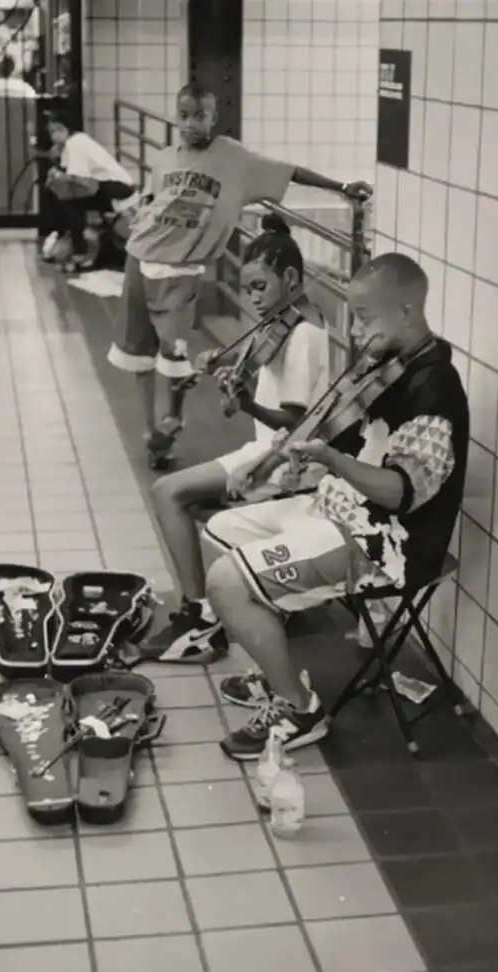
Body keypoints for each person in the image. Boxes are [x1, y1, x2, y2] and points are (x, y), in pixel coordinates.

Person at [197, 253, 469, 761]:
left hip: (388, 544)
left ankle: (300, 709)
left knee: (226, 582)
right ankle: (273, 666)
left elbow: (400, 492)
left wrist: (331, 461)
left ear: (407, 311)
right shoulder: (386, 364)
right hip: (341, 509)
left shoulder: (434, 387)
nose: (356, 330)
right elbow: (328, 428)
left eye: (364, 317)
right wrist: (268, 462)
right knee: (219, 530)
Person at [107, 80, 372, 468]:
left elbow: (289, 171)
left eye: (199, 116)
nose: (190, 124)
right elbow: (152, 202)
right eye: (184, 116)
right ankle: (152, 433)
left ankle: (171, 420)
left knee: (174, 351)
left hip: (181, 270)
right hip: (139, 259)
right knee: (137, 352)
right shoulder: (163, 159)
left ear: (214, 118)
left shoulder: (232, 158)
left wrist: (342, 187)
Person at [142, 212, 331, 662]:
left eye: (260, 287)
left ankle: (200, 616)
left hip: (283, 461)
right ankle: (236, 598)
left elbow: (294, 423)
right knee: (181, 497)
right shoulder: (287, 320)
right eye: (248, 290)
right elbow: (259, 367)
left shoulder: (304, 335)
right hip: (266, 451)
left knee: (167, 492)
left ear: (290, 278)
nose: (254, 298)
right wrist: (226, 367)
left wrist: (245, 404)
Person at [45, 112, 137, 271]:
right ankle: (78, 246)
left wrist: (56, 174)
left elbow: (76, 178)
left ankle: (80, 250)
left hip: (117, 188)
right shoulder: (72, 143)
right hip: (110, 186)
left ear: (66, 129)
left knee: (69, 203)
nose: (54, 135)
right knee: (69, 201)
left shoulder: (75, 142)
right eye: (51, 132)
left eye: (58, 130)